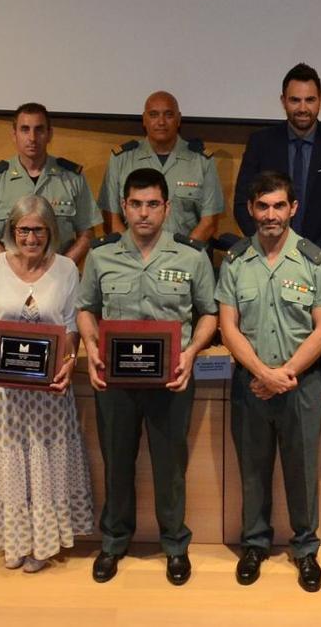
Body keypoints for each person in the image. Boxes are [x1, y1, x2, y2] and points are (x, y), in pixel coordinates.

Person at [77, 168, 217, 585]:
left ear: (167, 207)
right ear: (123, 207)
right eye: (135, 204)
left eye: (153, 204)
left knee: (169, 465)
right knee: (117, 461)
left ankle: (175, 544)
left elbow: (209, 312)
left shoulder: (192, 256)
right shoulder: (101, 255)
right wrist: (89, 347)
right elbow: (86, 308)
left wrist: (192, 353)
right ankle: (115, 541)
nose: (144, 213)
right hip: (115, 381)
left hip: (172, 379)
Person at [217, 171, 321, 591]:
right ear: (252, 210)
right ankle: (254, 544)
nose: (270, 215)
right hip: (250, 384)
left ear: (293, 208)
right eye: (262, 206)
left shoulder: (315, 260)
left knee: (301, 470)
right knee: (252, 470)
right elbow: (228, 327)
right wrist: (262, 374)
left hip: (300, 385)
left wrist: (282, 375)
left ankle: (306, 549)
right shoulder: (235, 261)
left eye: (278, 206)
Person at [0, 195, 93, 573]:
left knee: (44, 460)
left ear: (50, 231)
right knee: (9, 462)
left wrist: (70, 362)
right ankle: (14, 542)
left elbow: (71, 327)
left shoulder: (67, 268)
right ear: (12, 230)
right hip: (4, 390)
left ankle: (42, 544)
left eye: (38, 229)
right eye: (23, 229)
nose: (30, 237)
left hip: (49, 390)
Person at [232, 63, 321, 252]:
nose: (302, 108)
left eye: (309, 100)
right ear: (283, 101)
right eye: (294, 100)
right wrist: (269, 246)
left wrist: (314, 254)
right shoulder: (260, 142)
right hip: (268, 254)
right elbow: (243, 204)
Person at [0, 103, 100, 265]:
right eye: (25, 129)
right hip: (10, 279)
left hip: (59, 280)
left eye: (39, 129)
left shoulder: (72, 178)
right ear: (14, 135)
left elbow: (87, 234)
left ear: (49, 134)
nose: (32, 138)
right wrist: (17, 271)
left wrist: (61, 268)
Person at [98, 91, 224, 242]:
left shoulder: (202, 161)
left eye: (169, 115)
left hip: (186, 258)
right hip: (132, 258)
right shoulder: (121, 159)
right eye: (153, 115)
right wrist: (132, 257)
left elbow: (209, 223)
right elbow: (111, 220)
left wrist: (183, 256)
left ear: (178, 120)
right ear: (144, 120)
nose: (161, 122)